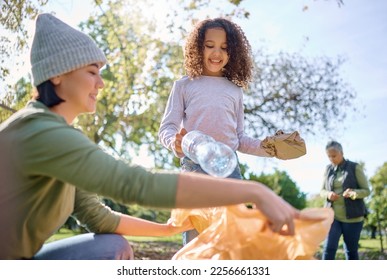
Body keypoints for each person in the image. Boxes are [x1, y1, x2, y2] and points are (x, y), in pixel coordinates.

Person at [0, 13, 301, 260]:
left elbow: (98, 217)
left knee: (116, 247)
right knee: (190, 251)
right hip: (196, 168)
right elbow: (135, 183)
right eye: (93, 72)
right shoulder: (43, 133)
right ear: (57, 74)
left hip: (227, 169)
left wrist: (167, 228)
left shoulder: (59, 137)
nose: (102, 84)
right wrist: (255, 191)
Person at [158, 18, 275, 244]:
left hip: (229, 171)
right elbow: (167, 128)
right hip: (194, 170)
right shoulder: (183, 85)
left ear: (233, 52)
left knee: (229, 239)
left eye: (224, 47)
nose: (216, 53)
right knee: (195, 240)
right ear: (197, 47)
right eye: (209, 45)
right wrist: (175, 142)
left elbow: (239, 138)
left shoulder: (235, 91)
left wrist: (269, 148)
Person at [320, 140, 370, 260]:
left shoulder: (355, 167)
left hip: (353, 218)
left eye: (334, 155)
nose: (331, 159)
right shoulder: (328, 169)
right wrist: (328, 194)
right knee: (328, 248)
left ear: (342, 153)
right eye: (329, 156)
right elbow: (322, 190)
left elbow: (367, 190)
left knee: (351, 251)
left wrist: (354, 193)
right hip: (333, 217)